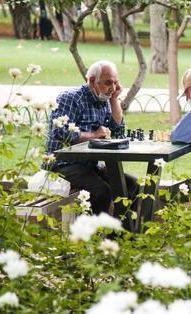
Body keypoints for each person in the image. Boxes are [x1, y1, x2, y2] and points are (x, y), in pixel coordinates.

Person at [44, 60, 139, 215]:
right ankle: (93, 237)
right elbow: (61, 132)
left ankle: (120, 235)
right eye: (108, 83)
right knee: (102, 192)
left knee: (132, 185)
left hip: (90, 165)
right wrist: (94, 135)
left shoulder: (104, 100)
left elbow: (118, 130)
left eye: (115, 83)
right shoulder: (70, 98)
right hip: (62, 164)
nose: (113, 88)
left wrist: (114, 99)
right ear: (92, 81)